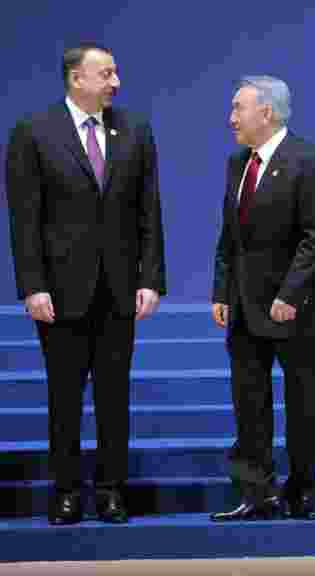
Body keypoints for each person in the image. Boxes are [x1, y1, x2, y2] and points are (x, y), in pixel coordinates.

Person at [6, 42, 166, 525]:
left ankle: (113, 491)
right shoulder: (33, 132)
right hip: (60, 291)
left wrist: (151, 277)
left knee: (115, 396)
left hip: (119, 288)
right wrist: (32, 285)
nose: (116, 82)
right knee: (64, 396)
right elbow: (24, 218)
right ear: (78, 79)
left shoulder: (135, 129)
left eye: (116, 73)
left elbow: (149, 212)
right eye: (107, 73)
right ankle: (66, 491)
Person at [210, 76, 315, 522]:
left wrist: (290, 293)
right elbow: (230, 235)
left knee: (305, 403)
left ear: (265, 112)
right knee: (249, 401)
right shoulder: (237, 163)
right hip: (246, 306)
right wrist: (221, 290)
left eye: (238, 108)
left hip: (298, 307)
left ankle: (303, 488)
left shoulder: (309, 160)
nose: (231, 118)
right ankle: (257, 492)